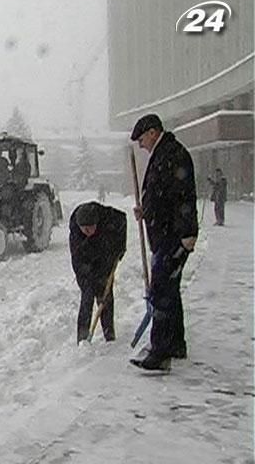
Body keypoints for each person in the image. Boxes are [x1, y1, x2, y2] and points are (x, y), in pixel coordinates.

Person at [130, 114, 198, 371]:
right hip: (168, 234)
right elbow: (162, 196)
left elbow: (182, 197)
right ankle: (176, 344)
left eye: (141, 139)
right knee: (170, 289)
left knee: (161, 290)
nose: (141, 146)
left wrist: (187, 235)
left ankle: (160, 352)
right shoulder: (165, 153)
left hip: (174, 235)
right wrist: (146, 210)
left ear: (152, 132)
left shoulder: (172, 154)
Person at [69, 201, 127, 344]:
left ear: (97, 223)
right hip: (86, 263)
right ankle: (82, 339)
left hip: (105, 256)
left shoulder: (110, 217)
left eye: (91, 228)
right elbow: (77, 262)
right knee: (87, 296)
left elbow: (123, 220)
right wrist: (84, 281)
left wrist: (120, 248)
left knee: (105, 295)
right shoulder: (76, 235)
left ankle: (109, 335)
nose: (88, 232)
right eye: (85, 229)